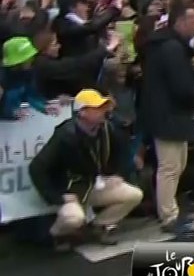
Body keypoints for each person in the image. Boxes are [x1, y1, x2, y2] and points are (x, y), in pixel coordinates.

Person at [27, 89, 141, 250]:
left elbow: (123, 153)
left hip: (95, 185)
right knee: (73, 218)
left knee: (134, 194)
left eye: (104, 107)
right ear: (82, 112)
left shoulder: (107, 129)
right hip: (72, 190)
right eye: (98, 108)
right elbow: (36, 168)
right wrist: (57, 196)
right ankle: (56, 235)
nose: (104, 111)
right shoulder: (65, 134)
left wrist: (118, 175)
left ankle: (99, 225)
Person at [138, 4, 194, 237]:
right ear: (180, 22)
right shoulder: (172, 48)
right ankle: (168, 216)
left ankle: (170, 209)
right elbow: (181, 86)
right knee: (170, 167)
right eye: (193, 21)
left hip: (169, 114)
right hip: (169, 115)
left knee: (177, 164)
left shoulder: (166, 45)